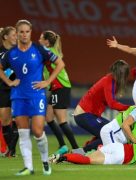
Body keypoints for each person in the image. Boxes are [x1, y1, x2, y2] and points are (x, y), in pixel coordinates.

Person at [0, 19, 65, 175]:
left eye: (27, 31)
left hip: (36, 95)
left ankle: (44, 162)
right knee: (23, 131)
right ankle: (28, 167)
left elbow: (60, 64)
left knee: (37, 130)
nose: (24, 34)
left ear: (30, 33)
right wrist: (9, 81)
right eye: (20, 32)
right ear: (17, 33)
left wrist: (48, 81)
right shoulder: (11, 54)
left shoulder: (39, 50)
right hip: (18, 96)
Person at [73, 60, 130, 153]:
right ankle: (82, 151)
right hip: (84, 115)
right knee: (110, 132)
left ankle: (86, 147)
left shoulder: (112, 80)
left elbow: (108, 102)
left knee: (111, 131)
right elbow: (112, 104)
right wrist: (130, 108)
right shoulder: (109, 81)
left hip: (88, 115)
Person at [38, 30, 79, 156]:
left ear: (47, 42)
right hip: (56, 88)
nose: (39, 40)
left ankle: (77, 149)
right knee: (49, 117)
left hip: (60, 87)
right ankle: (63, 146)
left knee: (62, 120)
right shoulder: (51, 51)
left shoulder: (48, 52)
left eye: (41, 38)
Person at [54, 140, 136, 165]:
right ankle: (63, 157)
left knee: (88, 157)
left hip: (118, 146)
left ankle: (62, 156)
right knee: (88, 161)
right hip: (121, 157)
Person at [0, 26, 18, 157]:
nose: (16, 37)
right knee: (5, 121)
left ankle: (11, 151)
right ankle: (9, 151)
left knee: (19, 120)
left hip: (18, 90)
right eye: (13, 35)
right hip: (3, 89)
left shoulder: (19, 52)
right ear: (5, 37)